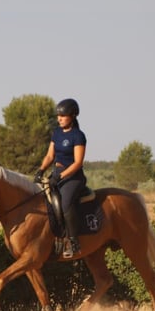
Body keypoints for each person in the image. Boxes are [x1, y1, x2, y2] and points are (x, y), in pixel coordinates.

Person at [34, 98, 87, 258]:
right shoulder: (56, 133)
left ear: (72, 116)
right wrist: (41, 170)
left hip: (73, 177)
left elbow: (78, 162)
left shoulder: (78, 136)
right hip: (56, 174)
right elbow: (50, 155)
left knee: (65, 203)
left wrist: (62, 176)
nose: (59, 119)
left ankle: (72, 241)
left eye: (63, 116)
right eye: (58, 116)